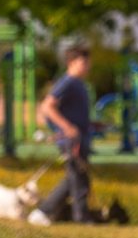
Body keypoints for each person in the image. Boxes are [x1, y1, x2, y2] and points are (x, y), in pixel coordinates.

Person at [30, 46, 93, 225]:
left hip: (81, 138)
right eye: (84, 62)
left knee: (77, 178)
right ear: (71, 63)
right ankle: (79, 217)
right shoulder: (68, 82)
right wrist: (67, 127)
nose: (88, 66)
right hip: (71, 141)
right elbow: (47, 106)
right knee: (77, 179)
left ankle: (45, 211)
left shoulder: (79, 84)